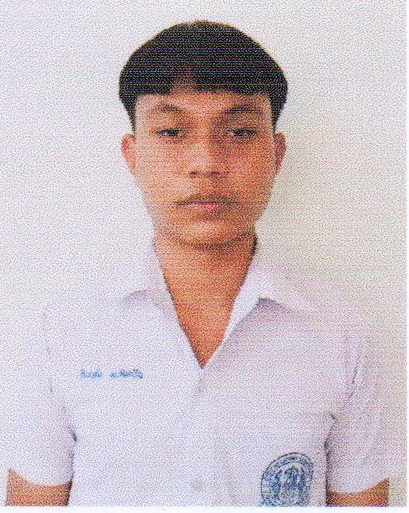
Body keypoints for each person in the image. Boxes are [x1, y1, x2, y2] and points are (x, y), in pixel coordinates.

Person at [6, 20, 395, 506]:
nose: (206, 162)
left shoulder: (343, 333)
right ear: (133, 154)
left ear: (276, 155)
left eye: (239, 131)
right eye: (171, 131)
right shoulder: (65, 329)